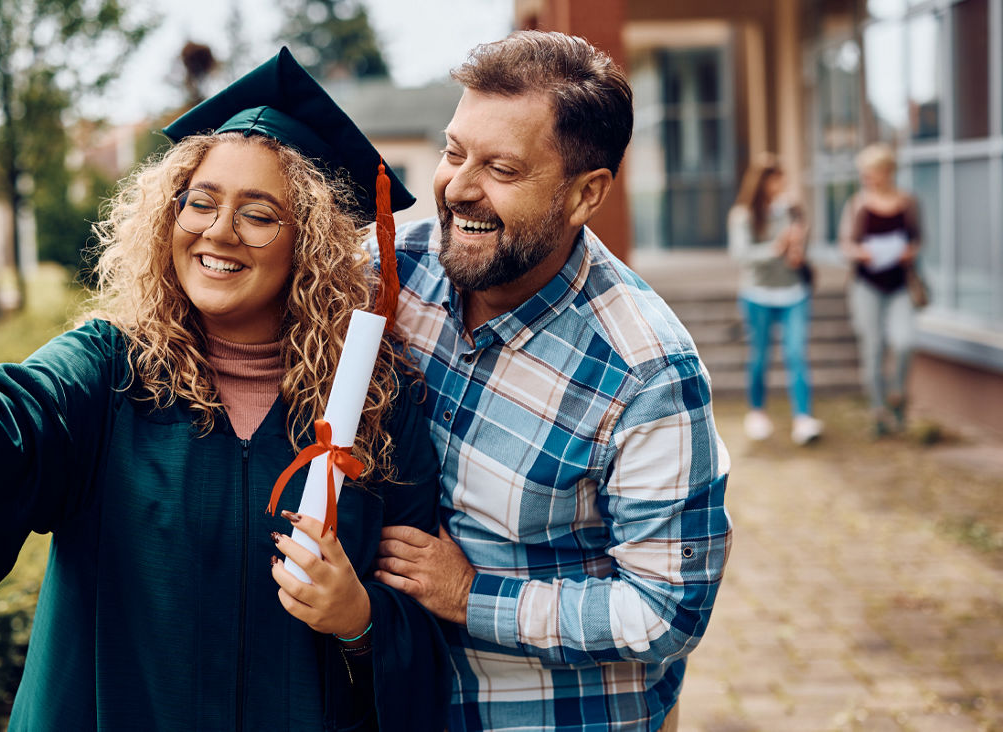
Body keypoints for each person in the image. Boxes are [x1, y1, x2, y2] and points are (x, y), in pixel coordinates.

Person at [0, 49, 450, 731]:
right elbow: (13, 415)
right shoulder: (111, 370)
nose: (218, 231)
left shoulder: (373, 409)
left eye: (260, 214)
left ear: (312, 242)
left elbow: (421, 624)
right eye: (200, 201)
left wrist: (358, 619)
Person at [371, 32, 732, 732]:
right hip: (398, 703)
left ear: (585, 194)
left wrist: (473, 596)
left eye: (501, 168)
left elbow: (668, 612)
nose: (458, 187)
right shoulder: (392, 271)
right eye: (453, 153)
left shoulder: (649, 374)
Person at [728, 153, 823, 445]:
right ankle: (757, 413)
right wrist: (776, 248)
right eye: (775, 179)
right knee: (759, 356)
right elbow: (742, 256)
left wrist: (796, 253)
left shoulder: (791, 210)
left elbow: (801, 248)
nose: (780, 184)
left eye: (782, 178)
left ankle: (803, 418)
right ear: (761, 182)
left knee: (796, 353)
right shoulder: (742, 214)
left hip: (793, 293)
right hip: (758, 294)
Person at [839, 143, 922, 436]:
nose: (867, 178)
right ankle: (879, 413)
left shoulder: (907, 202)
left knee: (904, 342)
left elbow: (918, 238)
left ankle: (897, 397)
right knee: (873, 349)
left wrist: (909, 251)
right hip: (867, 285)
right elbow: (846, 244)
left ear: (887, 172)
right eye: (865, 173)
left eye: (871, 172)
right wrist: (862, 253)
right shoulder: (858, 204)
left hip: (899, 284)